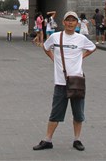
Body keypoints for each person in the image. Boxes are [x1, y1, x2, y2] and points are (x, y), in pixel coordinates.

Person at [33, 11, 96, 152]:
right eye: (68, 20)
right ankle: (47, 140)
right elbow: (45, 47)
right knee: (55, 113)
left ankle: (77, 139)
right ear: (63, 22)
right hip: (60, 82)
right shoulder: (56, 37)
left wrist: (81, 57)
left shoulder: (81, 39)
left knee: (78, 114)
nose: (70, 23)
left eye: (73, 20)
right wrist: (54, 58)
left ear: (77, 23)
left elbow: (92, 48)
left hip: (76, 81)